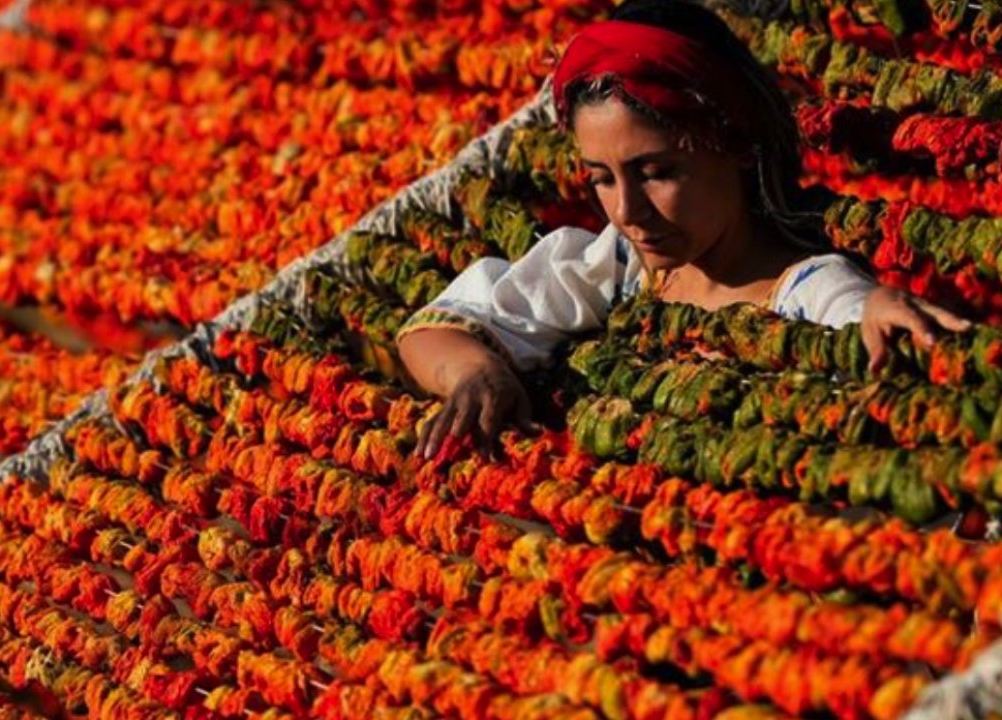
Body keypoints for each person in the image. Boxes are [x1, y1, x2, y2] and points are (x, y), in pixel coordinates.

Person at [396, 0, 972, 460]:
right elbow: (431, 332)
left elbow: (860, 317)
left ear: (738, 145)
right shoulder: (619, 269)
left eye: (656, 173)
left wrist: (876, 306)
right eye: (601, 178)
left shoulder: (805, 294)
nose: (627, 210)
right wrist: (479, 373)